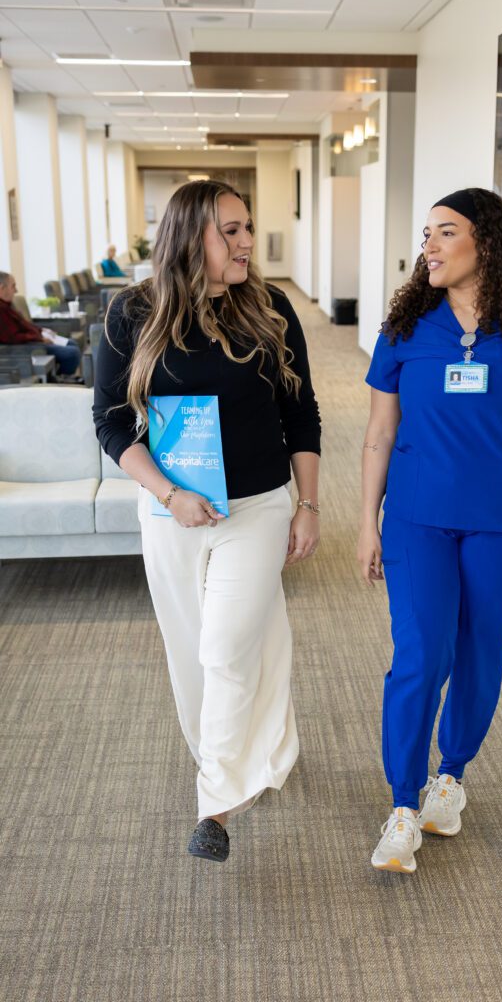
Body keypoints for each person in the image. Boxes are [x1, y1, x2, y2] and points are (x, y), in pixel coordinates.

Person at [358, 188, 502, 875]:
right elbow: (378, 432)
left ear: (484, 244)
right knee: (419, 655)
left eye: (444, 232)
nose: (427, 245)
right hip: (416, 519)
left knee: (478, 651)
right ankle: (402, 806)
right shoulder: (405, 329)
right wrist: (365, 524)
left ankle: (448, 778)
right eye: (425, 233)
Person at [93, 180, 321, 862]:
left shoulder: (270, 308)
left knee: (225, 649)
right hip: (172, 512)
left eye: (247, 226)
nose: (247, 240)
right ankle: (251, 750)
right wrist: (167, 495)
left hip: (255, 508)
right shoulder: (129, 315)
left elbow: (301, 413)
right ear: (191, 236)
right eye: (231, 230)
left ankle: (214, 807)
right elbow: (109, 423)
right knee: (195, 651)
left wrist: (307, 505)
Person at [0, 272, 81, 376]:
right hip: (27, 347)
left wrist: (41, 330)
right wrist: (39, 339)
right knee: (72, 353)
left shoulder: (7, 305)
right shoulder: (1, 309)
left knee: (72, 343)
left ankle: (59, 377)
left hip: (35, 339)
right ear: (2, 288)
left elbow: (25, 325)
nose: (16, 291)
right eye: (13, 286)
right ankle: (58, 381)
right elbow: (13, 338)